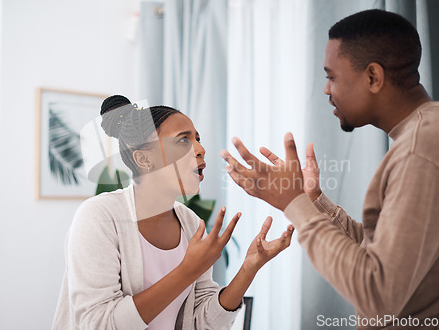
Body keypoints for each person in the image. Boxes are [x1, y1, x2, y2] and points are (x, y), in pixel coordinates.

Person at [221, 9, 439, 329]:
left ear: (373, 76)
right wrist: (312, 200)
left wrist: (293, 204)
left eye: (332, 77)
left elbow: (377, 293)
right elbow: (382, 256)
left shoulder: (420, 151)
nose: (327, 90)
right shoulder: (430, 134)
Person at [52, 95, 295, 330]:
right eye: (183, 140)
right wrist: (187, 270)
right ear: (144, 159)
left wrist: (248, 268)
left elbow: (204, 322)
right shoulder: (100, 217)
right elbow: (98, 324)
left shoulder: (190, 222)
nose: (200, 149)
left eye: (198, 139)